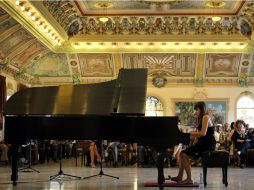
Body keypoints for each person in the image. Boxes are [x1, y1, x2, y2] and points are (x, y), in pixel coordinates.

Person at [169, 101, 215, 184]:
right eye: (195, 110)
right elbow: (199, 134)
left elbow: (203, 133)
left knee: (183, 154)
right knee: (182, 153)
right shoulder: (201, 118)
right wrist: (193, 141)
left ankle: (189, 179)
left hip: (207, 144)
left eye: (197, 109)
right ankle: (180, 177)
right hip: (203, 142)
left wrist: (189, 133)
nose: (195, 111)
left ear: (202, 109)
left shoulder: (205, 117)